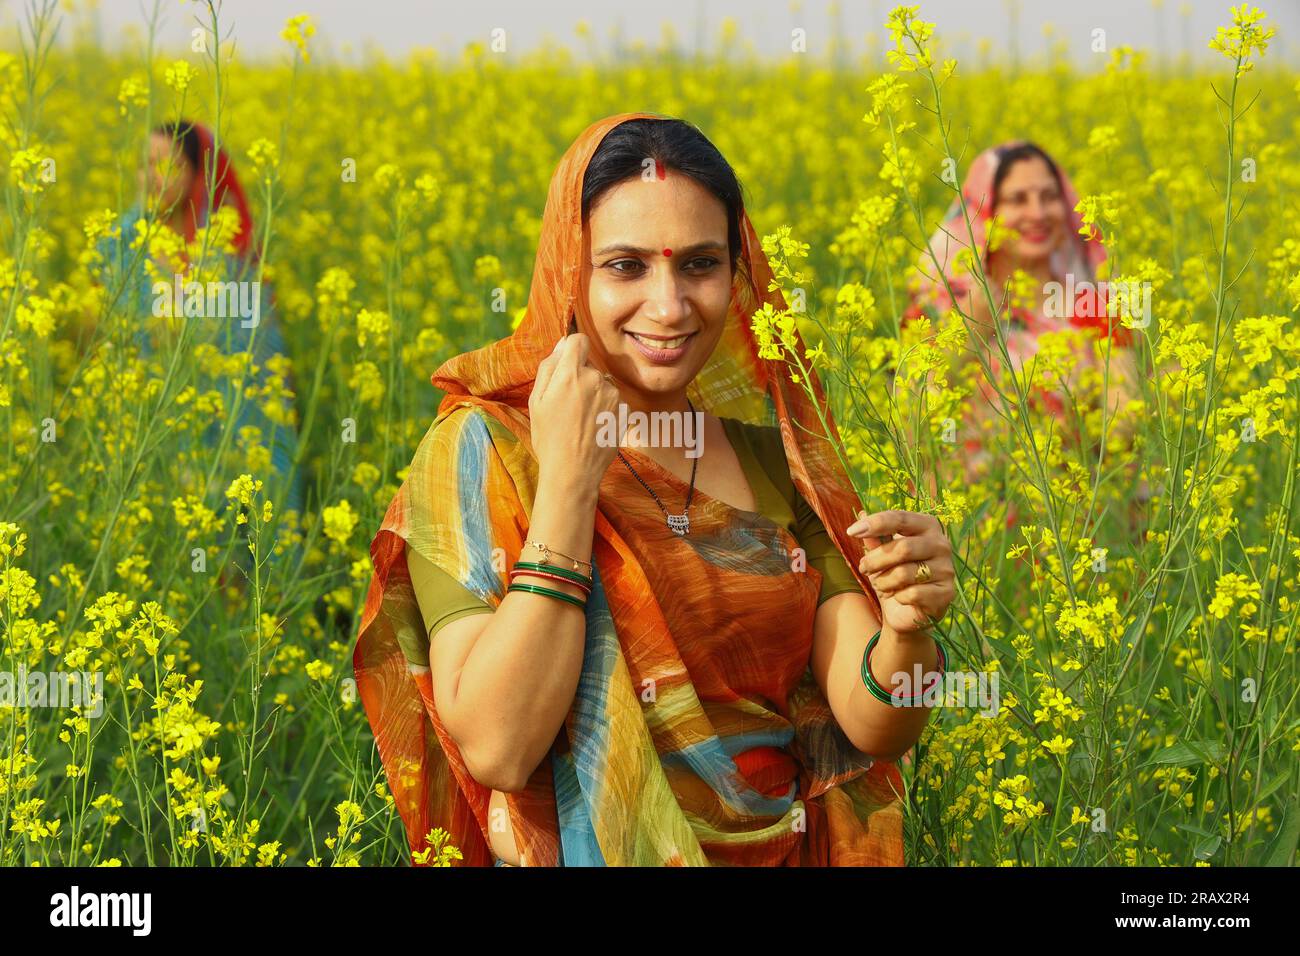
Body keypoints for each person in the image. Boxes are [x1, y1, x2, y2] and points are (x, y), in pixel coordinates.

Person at [352, 113, 957, 867]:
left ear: (737, 275)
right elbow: (499, 749)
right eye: (627, 266)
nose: (669, 306)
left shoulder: (774, 459)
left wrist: (906, 629)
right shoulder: (486, 451)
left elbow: (873, 726)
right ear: (568, 271)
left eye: (700, 265)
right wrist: (569, 486)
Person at [97, 119, 306, 542]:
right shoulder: (118, 243)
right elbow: (102, 343)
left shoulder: (230, 252)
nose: (151, 177)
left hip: (229, 436)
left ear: (199, 177)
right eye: (145, 164)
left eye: (167, 166)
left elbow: (265, 362)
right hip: (147, 437)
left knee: (241, 561)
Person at [901, 140, 1138, 481]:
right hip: (962, 519)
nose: (1038, 213)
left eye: (1049, 197)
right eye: (1017, 200)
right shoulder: (942, 303)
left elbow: (1124, 429)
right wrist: (973, 326)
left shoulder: (1097, 299)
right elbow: (913, 431)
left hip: (1074, 519)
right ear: (985, 212)